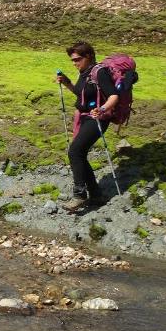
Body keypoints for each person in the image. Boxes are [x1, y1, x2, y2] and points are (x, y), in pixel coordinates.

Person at [55, 41, 118, 212]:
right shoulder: (84, 72)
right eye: (72, 61)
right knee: (80, 153)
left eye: (77, 59)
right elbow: (81, 94)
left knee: (74, 151)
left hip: (97, 118)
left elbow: (114, 95)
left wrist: (102, 108)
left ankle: (80, 195)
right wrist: (67, 82)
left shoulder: (100, 72)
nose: (75, 63)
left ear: (88, 56)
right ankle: (96, 194)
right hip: (83, 117)